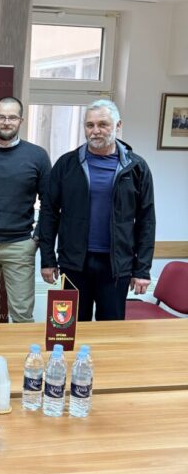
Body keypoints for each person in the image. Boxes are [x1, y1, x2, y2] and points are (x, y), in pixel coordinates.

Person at [39, 99, 156, 321]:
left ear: (118, 125)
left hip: (116, 266)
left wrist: (142, 269)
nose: (95, 131)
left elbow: (146, 221)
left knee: (110, 330)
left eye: (103, 124)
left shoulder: (137, 167)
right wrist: (47, 260)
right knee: (68, 327)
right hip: (73, 264)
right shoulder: (66, 164)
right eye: (89, 125)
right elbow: (49, 213)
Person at [0, 96, 51, 323]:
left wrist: (37, 237)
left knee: (22, 314)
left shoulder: (37, 156)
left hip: (20, 245)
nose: (7, 122)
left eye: (12, 117)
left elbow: (50, 203)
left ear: (21, 120)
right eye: (2, 117)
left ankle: (22, 350)